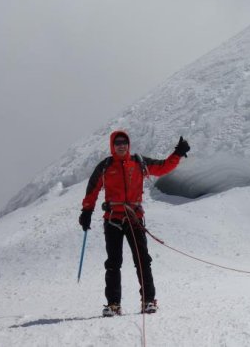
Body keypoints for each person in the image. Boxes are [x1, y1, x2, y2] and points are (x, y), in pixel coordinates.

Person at [78, 131, 190, 316]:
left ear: (128, 145)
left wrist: (177, 154)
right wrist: (86, 211)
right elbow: (92, 189)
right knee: (113, 263)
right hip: (112, 219)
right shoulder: (105, 166)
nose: (121, 145)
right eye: (117, 143)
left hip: (134, 218)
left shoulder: (139, 162)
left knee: (142, 261)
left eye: (124, 142)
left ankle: (148, 301)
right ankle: (113, 304)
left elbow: (162, 167)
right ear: (112, 146)